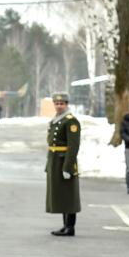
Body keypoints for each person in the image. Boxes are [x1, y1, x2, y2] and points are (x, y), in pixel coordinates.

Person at [46, 93, 81, 235]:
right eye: (57, 103)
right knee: (61, 194)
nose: (59, 106)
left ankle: (70, 227)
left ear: (67, 104)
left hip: (64, 160)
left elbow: (73, 146)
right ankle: (65, 224)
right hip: (55, 160)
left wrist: (67, 167)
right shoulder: (56, 120)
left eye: (62, 104)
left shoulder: (71, 121)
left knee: (69, 195)